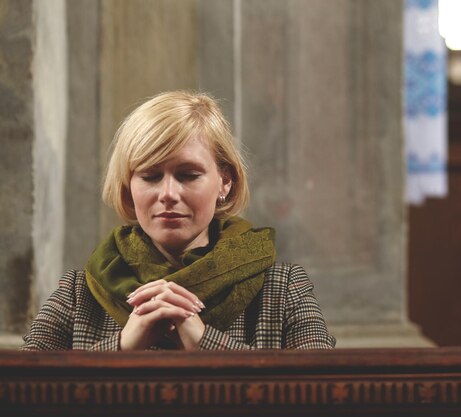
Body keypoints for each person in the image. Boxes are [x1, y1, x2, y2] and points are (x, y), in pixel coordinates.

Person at [22, 91, 335, 351]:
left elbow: (326, 394)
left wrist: (205, 342)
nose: (168, 193)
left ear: (225, 181)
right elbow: (17, 394)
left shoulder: (282, 289)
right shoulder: (78, 294)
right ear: (128, 187)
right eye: (150, 176)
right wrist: (121, 348)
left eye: (188, 175)